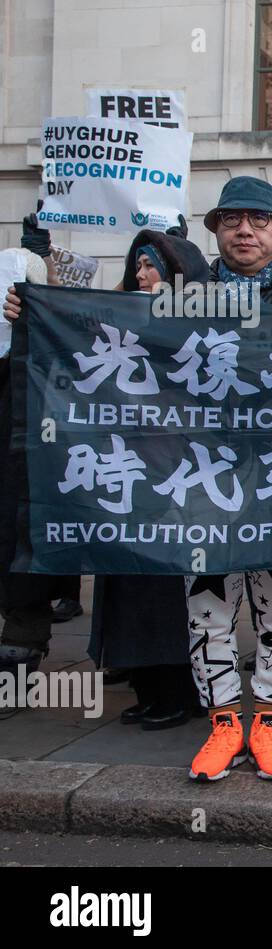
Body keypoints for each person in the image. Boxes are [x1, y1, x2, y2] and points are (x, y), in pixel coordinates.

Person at [185, 176, 272, 783]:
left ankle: (267, 721)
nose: (246, 230)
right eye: (233, 219)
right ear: (215, 229)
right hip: (202, 488)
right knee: (208, 612)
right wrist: (31, 315)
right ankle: (223, 723)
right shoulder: (180, 302)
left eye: (260, 220)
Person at [88, 227, 211, 730]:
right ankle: (146, 684)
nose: (140, 275)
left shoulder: (204, 327)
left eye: (151, 265)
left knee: (168, 595)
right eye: (136, 266)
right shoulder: (118, 322)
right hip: (126, 474)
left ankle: (180, 692)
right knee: (128, 586)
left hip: (177, 480)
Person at [0, 224, 68, 675]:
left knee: (23, 541)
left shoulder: (49, 331)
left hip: (32, 460)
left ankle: (20, 651)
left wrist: (44, 298)